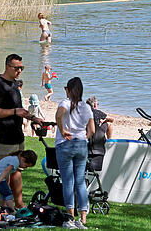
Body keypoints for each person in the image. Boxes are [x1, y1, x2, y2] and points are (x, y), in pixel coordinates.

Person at [0, 54, 41, 208]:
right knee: (8, 173)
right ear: (7, 66)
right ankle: (10, 205)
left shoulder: (14, 85)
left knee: (16, 171)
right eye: (16, 68)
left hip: (17, 136)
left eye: (21, 68)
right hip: (4, 137)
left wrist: (33, 118)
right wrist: (14, 112)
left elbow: (20, 110)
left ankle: (17, 205)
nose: (19, 71)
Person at [55, 77, 94, 226]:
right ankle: (83, 218)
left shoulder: (65, 102)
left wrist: (63, 130)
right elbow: (92, 130)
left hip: (65, 144)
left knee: (68, 182)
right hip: (81, 145)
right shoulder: (86, 107)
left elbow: (59, 115)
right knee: (80, 182)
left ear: (68, 90)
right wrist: (84, 138)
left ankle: (70, 217)